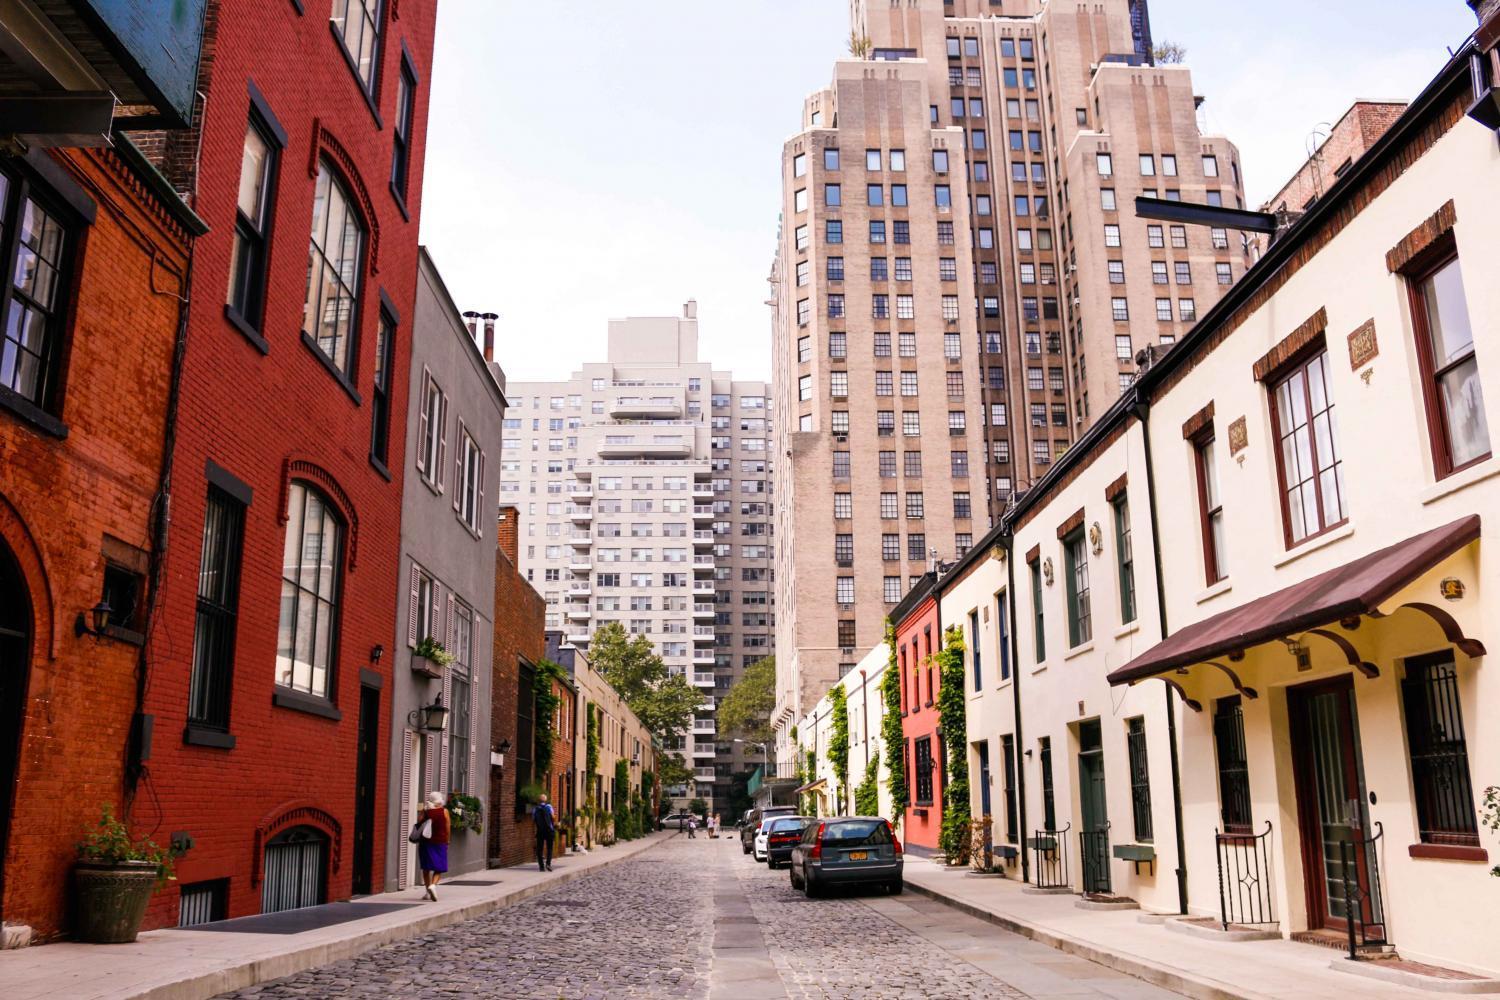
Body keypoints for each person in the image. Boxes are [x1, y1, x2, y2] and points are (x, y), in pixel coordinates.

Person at [417, 791, 450, 901]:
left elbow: (419, 824)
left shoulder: (425, 812)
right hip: (440, 842)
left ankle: (427, 892)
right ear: (440, 800)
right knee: (439, 867)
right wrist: (448, 840)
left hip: (425, 843)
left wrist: (424, 812)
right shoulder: (444, 811)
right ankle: (433, 885)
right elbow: (447, 827)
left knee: (426, 868)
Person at [533, 793, 556, 872]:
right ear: (545, 800)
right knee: (549, 848)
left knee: (539, 849)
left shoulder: (535, 809)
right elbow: (553, 817)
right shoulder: (549, 807)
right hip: (549, 830)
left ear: (539, 800)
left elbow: (534, 819)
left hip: (540, 831)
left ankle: (541, 867)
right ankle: (548, 864)